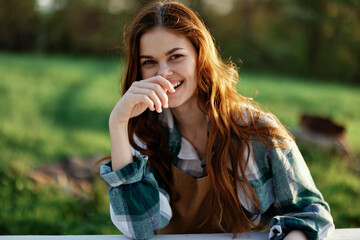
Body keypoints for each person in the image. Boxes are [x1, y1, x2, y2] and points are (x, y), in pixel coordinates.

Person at [100, 1, 335, 239]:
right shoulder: (145, 133)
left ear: (200, 56)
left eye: (176, 57)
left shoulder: (257, 132)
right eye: (149, 62)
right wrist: (118, 123)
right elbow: (138, 228)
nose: (163, 73)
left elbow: (311, 215)